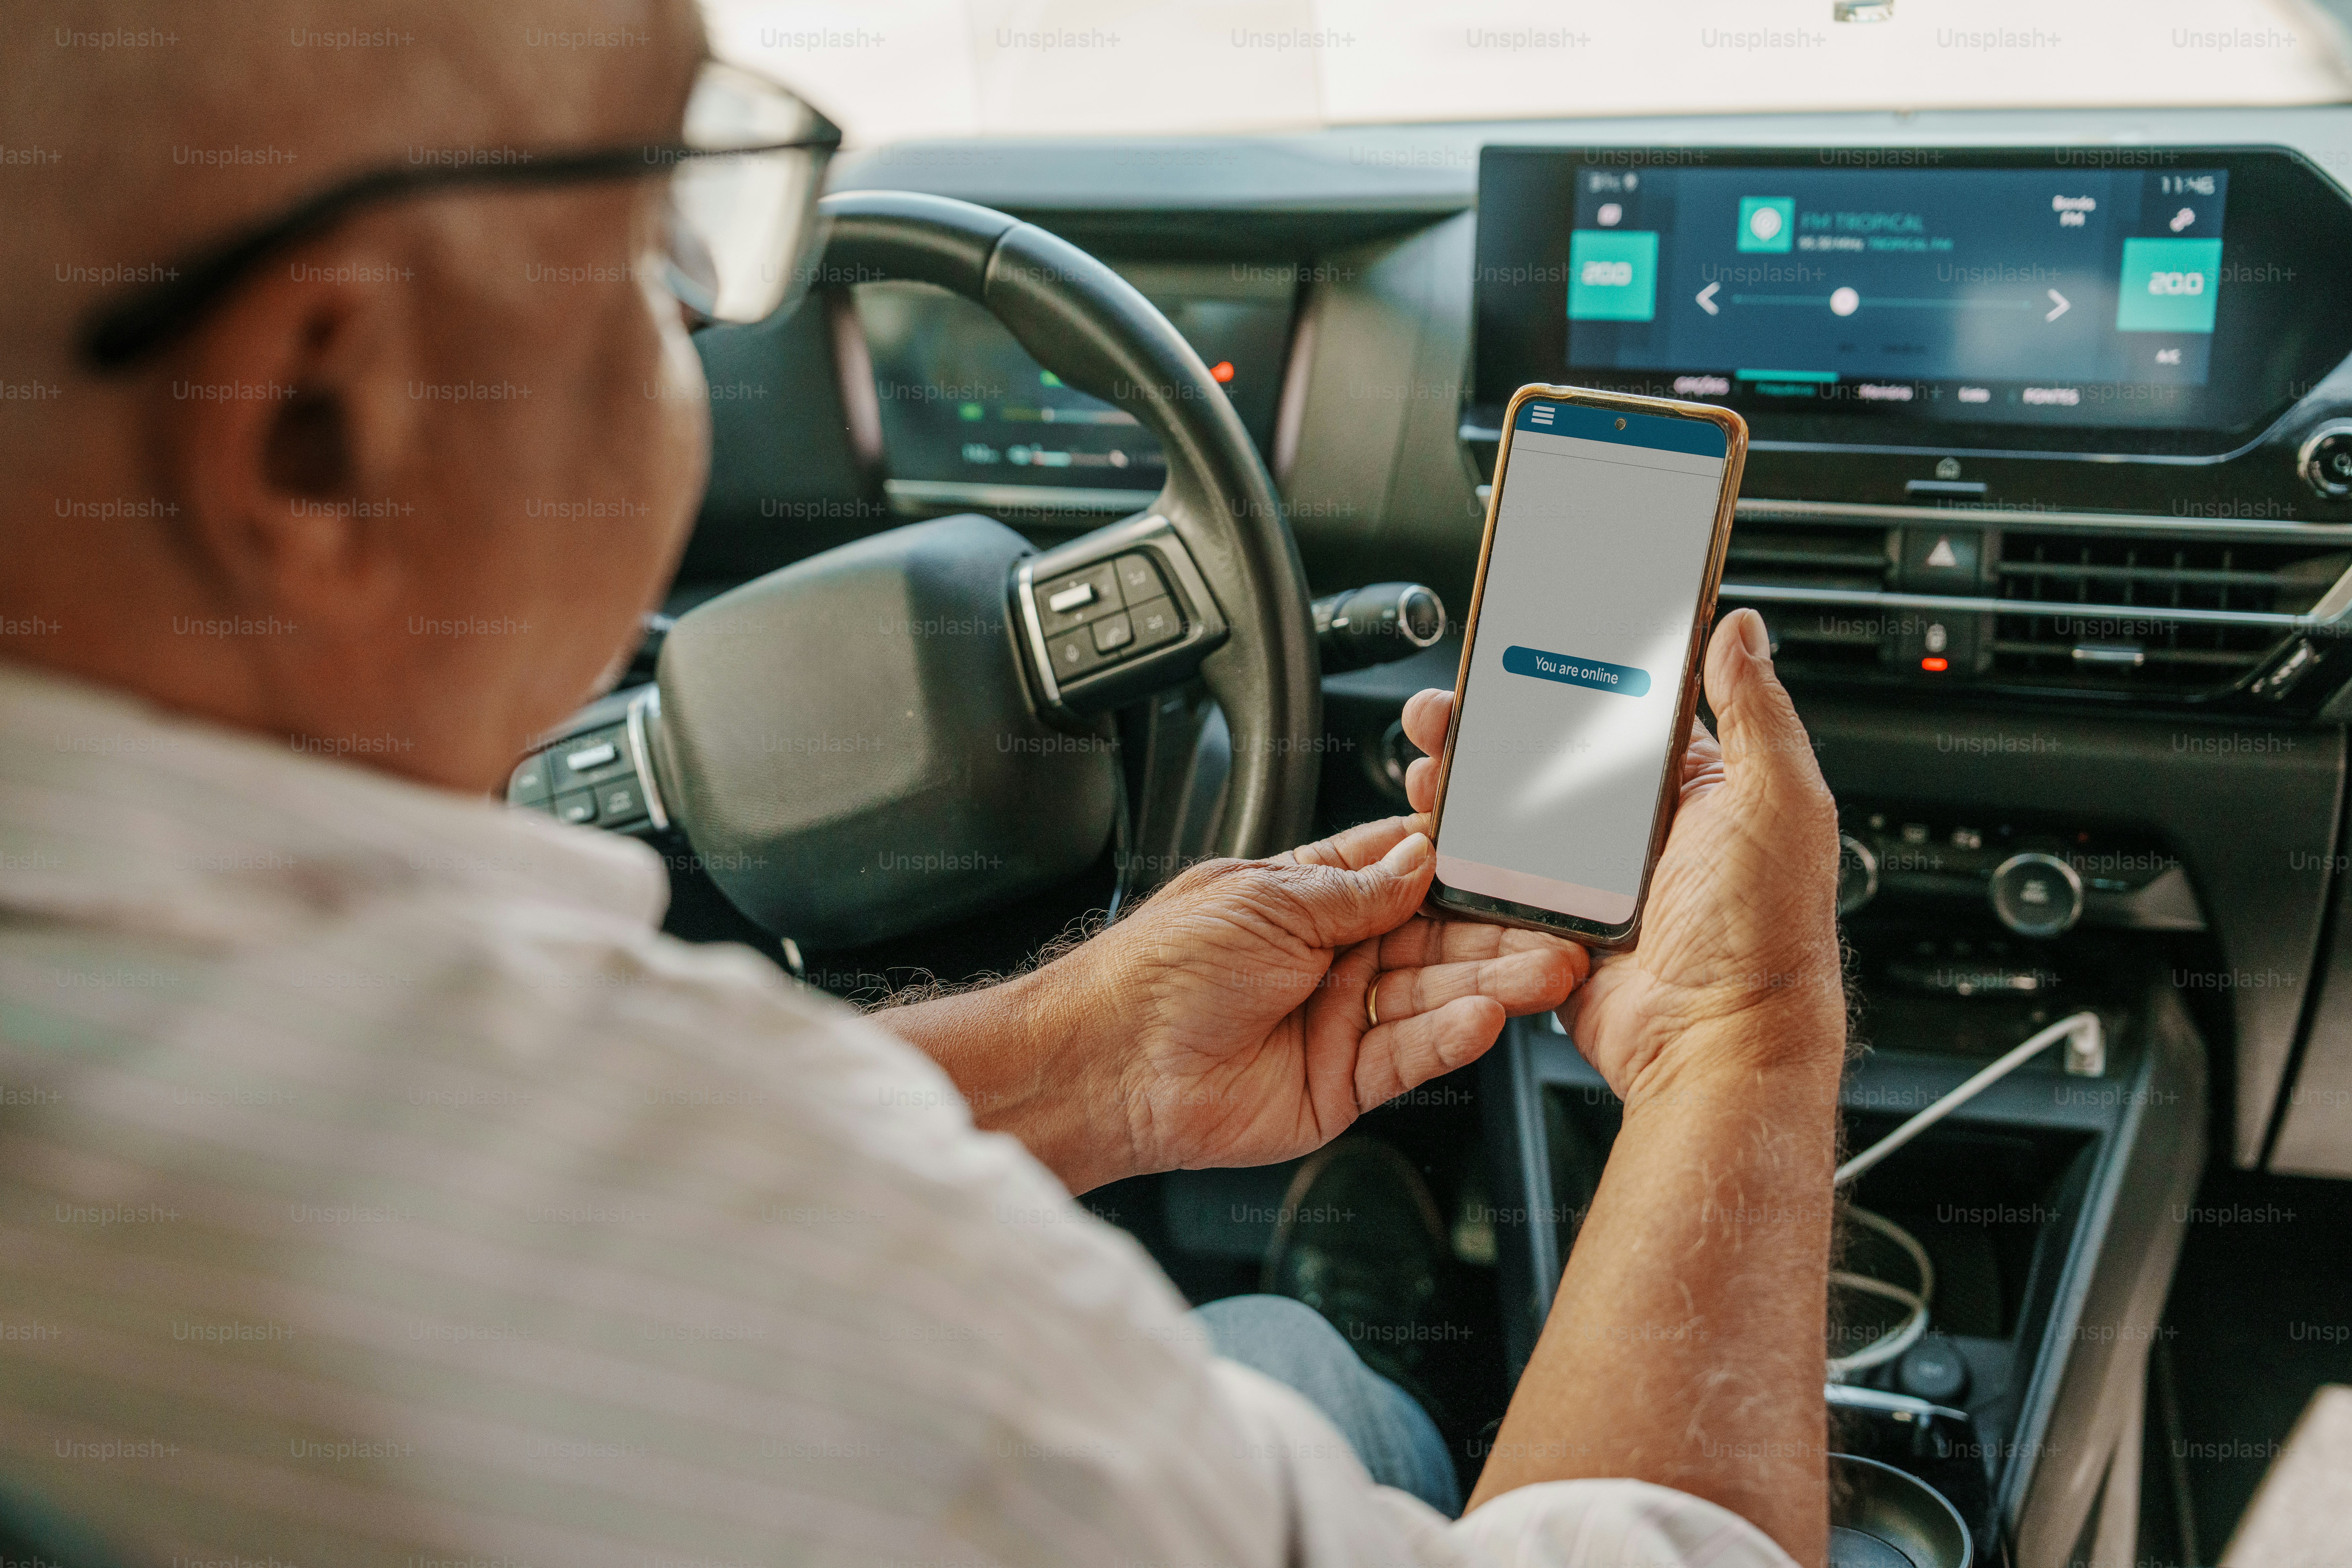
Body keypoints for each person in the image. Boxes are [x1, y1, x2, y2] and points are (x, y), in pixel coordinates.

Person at [0, 3, 1846, 1565]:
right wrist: (1738, 1042)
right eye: (655, 241)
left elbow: (489, 1191)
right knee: (1302, 1370)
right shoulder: (872, 1338)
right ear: (322, 434)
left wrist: (1082, 1058)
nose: (706, 320)